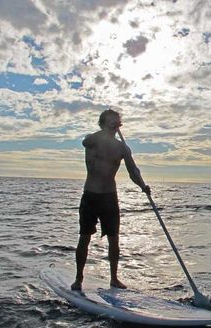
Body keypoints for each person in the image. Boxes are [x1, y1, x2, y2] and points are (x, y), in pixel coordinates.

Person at [71, 109, 150, 291]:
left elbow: (133, 171)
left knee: (114, 239)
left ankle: (114, 278)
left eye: (117, 121)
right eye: (111, 121)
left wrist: (143, 186)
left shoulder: (122, 148)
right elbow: (85, 141)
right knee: (85, 237)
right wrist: (105, 130)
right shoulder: (93, 139)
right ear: (102, 123)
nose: (115, 124)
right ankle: (78, 279)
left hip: (109, 197)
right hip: (90, 195)